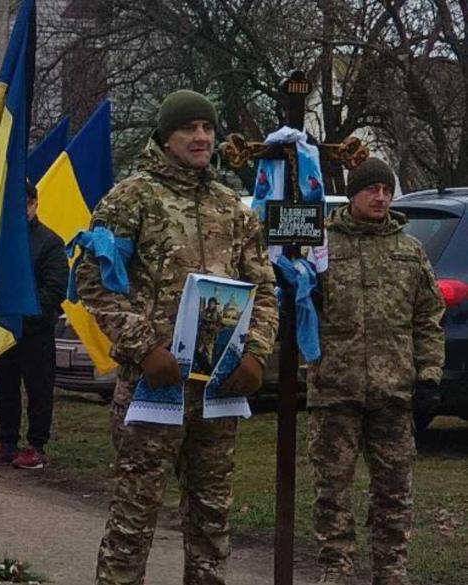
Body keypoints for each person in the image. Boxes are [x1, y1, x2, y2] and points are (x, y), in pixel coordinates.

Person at [75, 90, 279, 585]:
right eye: (189, 129)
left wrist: (255, 353)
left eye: (207, 128)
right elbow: (95, 281)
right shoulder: (132, 198)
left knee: (212, 521)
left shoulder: (231, 205)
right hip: (154, 385)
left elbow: (265, 287)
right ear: (166, 138)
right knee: (134, 516)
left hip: (218, 390)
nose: (202, 137)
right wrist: (144, 349)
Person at [308, 157, 445, 585]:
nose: (381, 197)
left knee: (394, 491)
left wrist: (429, 375)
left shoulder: (409, 250)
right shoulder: (323, 246)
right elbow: (303, 309)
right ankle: (336, 568)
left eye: (387, 190)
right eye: (372, 190)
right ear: (354, 194)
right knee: (332, 490)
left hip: (393, 392)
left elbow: (428, 316)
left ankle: (391, 568)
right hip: (336, 390)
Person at [0, 183, 68, 469]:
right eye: (15, 203)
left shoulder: (50, 241)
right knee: (4, 387)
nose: (21, 208)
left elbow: (55, 288)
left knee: (38, 389)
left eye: (26, 202)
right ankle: (6, 443)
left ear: (35, 204)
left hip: (35, 330)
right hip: (2, 329)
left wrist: (23, 307)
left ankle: (36, 446)